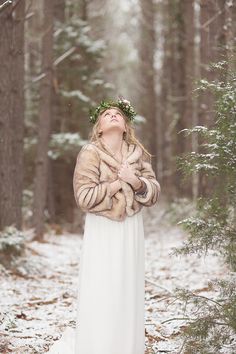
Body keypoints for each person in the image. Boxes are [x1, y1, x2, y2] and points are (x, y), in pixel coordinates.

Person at [48, 97, 161, 354]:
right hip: (102, 230)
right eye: (107, 113)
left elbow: (153, 193)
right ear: (98, 127)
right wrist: (115, 185)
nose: (113, 115)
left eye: (118, 114)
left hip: (131, 229)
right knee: (102, 287)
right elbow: (84, 197)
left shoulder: (138, 153)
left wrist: (136, 181)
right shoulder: (90, 152)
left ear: (125, 126)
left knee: (127, 289)